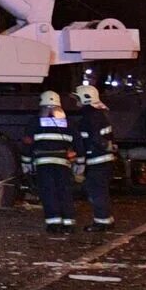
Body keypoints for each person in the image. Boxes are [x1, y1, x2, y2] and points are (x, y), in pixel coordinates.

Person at [30, 89, 76, 234]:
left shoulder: (35, 122)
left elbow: (28, 143)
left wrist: (26, 163)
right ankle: (68, 223)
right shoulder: (68, 123)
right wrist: (79, 162)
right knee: (64, 191)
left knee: (48, 192)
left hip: (44, 164)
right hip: (63, 164)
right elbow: (78, 143)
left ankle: (53, 224)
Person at [71, 84, 116, 232]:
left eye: (77, 99)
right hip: (105, 161)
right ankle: (106, 220)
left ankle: (102, 223)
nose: (76, 102)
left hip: (96, 162)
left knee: (96, 192)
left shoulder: (88, 118)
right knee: (101, 191)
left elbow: (88, 142)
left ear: (85, 99)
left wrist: (80, 163)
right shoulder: (100, 114)